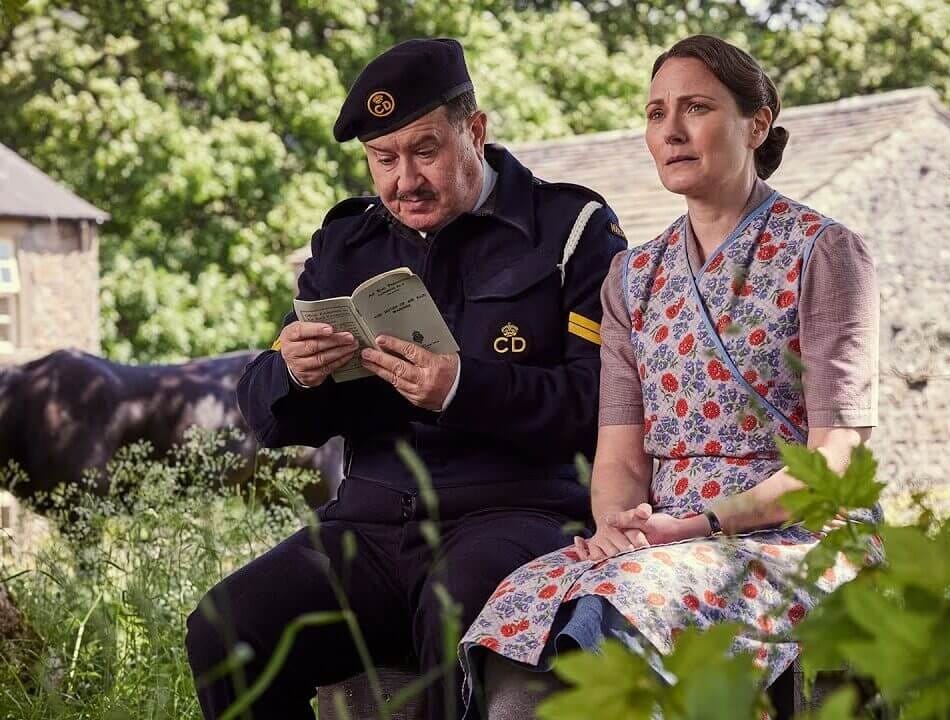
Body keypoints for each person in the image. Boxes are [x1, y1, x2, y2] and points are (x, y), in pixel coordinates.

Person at [183, 38, 627, 720]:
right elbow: (266, 419)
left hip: (515, 514)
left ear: (473, 131)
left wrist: (461, 389)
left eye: (424, 151)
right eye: (381, 159)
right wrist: (293, 375)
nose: (402, 180)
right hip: (368, 523)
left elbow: (598, 402)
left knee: (456, 620)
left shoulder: (571, 230)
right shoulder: (345, 244)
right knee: (223, 626)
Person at [460, 34, 881, 718]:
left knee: (616, 610)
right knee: (518, 620)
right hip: (659, 538)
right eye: (656, 113)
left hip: (792, 536)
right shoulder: (632, 277)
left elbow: (833, 461)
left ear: (757, 122)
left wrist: (699, 526)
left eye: (695, 108)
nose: (671, 130)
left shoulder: (822, 252)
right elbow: (620, 451)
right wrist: (617, 526)